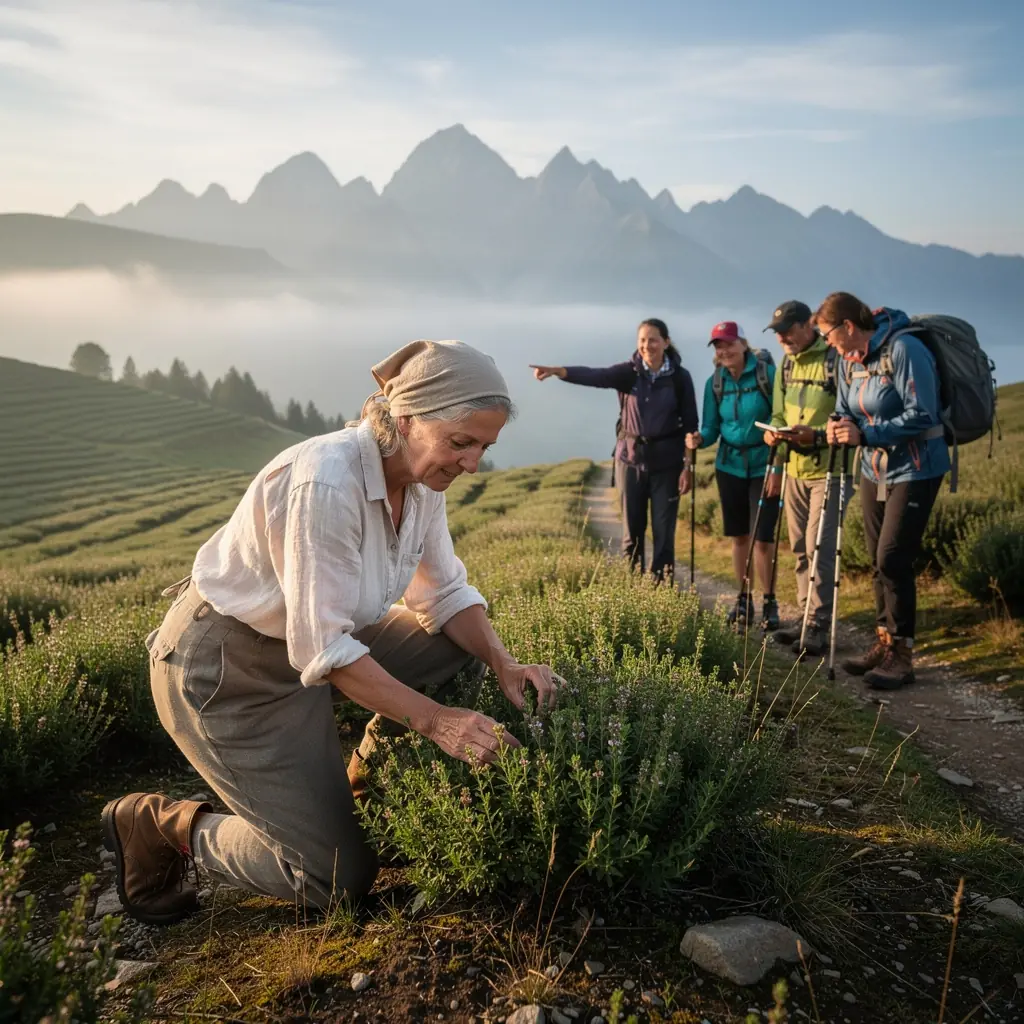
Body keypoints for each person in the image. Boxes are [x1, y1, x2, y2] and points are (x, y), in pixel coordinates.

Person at [101, 340, 563, 925]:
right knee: (335, 878)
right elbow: (323, 649)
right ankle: (160, 825)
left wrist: (503, 661)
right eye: (461, 443)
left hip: (316, 649)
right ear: (406, 419)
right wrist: (440, 722)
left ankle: (363, 796)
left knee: (458, 648)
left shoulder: (421, 485)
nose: (472, 464)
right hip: (226, 671)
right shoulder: (326, 482)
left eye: (484, 447)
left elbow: (442, 594)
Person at [817, 293, 949, 690]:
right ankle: (883, 642)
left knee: (892, 556)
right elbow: (844, 407)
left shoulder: (905, 349)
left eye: (827, 334)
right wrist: (836, 424)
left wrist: (866, 433)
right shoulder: (847, 360)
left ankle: (902, 654)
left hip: (916, 466)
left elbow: (923, 412)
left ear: (848, 327)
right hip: (873, 468)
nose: (826, 342)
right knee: (877, 557)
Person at [530, 318, 697, 582]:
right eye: (642, 340)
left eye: (653, 339)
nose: (647, 345)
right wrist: (558, 371)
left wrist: (688, 468)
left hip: (668, 464)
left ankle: (661, 590)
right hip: (630, 461)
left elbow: (690, 426)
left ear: (666, 342)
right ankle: (633, 586)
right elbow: (597, 376)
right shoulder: (629, 372)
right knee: (632, 532)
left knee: (664, 533)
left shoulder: (680, 378)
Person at [762, 300, 848, 655]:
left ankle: (818, 624)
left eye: (787, 330)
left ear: (807, 325)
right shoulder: (785, 364)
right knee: (800, 549)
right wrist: (775, 434)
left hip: (831, 468)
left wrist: (812, 434)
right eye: (777, 333)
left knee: (819, 547)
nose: (782, 338)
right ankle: (806, 618)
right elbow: (779, 412)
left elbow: (847, 412)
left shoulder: (834, 358)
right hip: (795, 469)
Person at [686, 321, 779, 629]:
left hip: (763, 465)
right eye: (718, 346)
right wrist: (700, 439)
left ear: (742, 343)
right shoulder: (715, 383)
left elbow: (777, 417)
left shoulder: (767, 375)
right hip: (729, 467)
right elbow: (712, 428)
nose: (723, 350)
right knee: (739, 537)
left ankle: (769, 602)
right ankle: (744, 600)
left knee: (762, 538)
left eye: (728, 343)